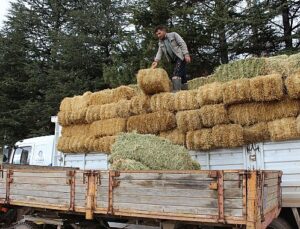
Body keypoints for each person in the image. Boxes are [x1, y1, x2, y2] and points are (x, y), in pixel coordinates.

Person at [151, 25, 191, 91]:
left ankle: (176, 93)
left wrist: (186, 54)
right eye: (157, 34)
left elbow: (182, 43)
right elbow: (159, 52)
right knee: (183, 76)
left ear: (164, 31)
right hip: (173, 60)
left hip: (180, 56)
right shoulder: (160, 42)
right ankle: (186, 94)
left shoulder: (173, 35)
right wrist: (156, 61)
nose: (158, 36)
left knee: (176, 74)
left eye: (159, 33)